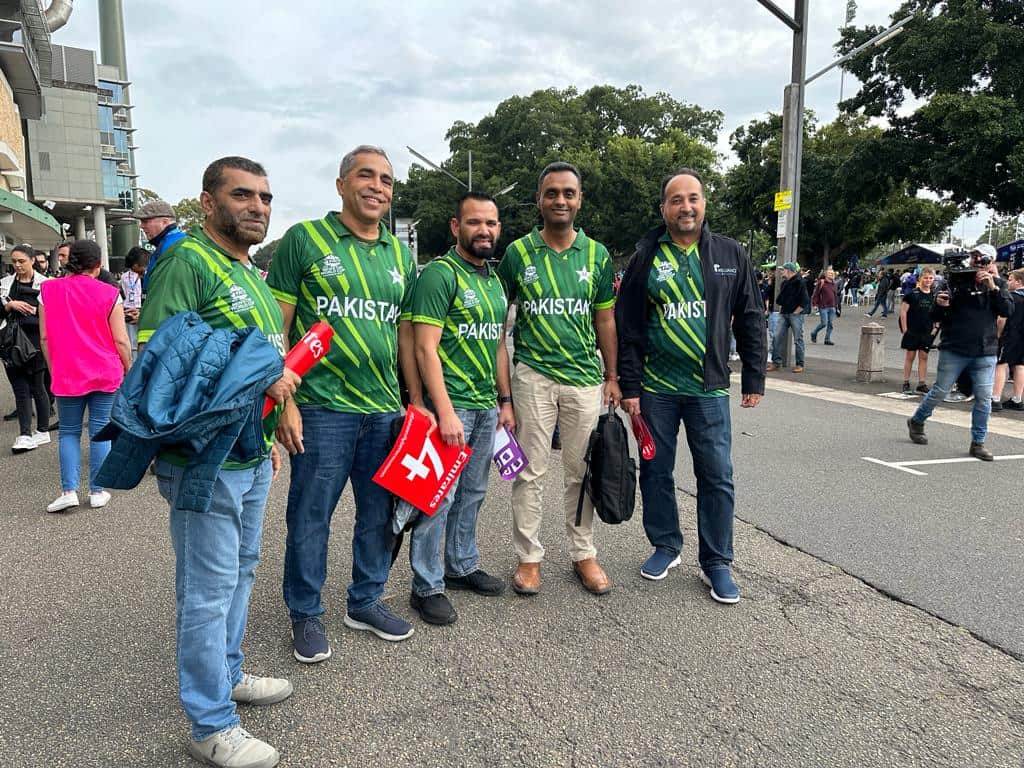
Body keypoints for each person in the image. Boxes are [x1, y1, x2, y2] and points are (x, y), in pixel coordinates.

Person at [138, 157, 299, 768]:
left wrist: (272, 413)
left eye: (265, 195)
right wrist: (264, 376)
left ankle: (228, 674)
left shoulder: (249, 272)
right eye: (242, 195)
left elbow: (267, 362)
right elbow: (159, 361)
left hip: (249, 453)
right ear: (206, 204)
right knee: (207, 589)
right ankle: (210, 724)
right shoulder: (186, 261)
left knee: (240, 571)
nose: (257, 206)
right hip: (203, 458)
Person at [267, 145, 423, 661]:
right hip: (320, 406)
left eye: (386, 179)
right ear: (340, 185)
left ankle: (366, 599)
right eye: (365, 176)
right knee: (311, 513)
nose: (377, 186)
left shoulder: (402, 255)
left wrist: (414, 402)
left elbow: (405, 335)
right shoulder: (304, 240)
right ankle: (306, 612)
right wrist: (282, 400)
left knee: (379, 513)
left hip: (383, 410)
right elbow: (277, 327)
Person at [616, 167, 765, 603]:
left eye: (693, 198)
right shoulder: (645, 256)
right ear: (663, 207)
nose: (686, 206)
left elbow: (752, 316)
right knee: (656, 471)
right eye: (676, 200)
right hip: (656, 389)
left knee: (716, 475)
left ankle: (717, 561)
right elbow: (628, 325)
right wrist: (629, 386)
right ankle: (665, 544)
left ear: (704, 203)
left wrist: (754, 376)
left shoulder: (730, 253)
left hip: (709, 390)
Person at [497, 161, 620, 597]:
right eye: (552, 193)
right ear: (539, 200)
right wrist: (504, 392)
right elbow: (499, 321)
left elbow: (605, 319)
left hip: (585, 378)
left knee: (582, 472)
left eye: (569, 193)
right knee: (530, 472)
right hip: (533, 374)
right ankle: (529, 558)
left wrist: (612, 375)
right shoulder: (517, 254)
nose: (560, 200)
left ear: (580, 199)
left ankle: (583, 552)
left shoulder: (597, 255)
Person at [400, 191, 514, 625]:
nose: (483, 230)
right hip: (452, 406)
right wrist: (442, 411)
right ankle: (426, 585)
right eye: (474, 223)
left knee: (474, 493)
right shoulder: (440, 276)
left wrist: (504, 402)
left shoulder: (493, 279)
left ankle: (461, 564)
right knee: (436, 498)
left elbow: (499, 345)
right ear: (455, 226)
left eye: (490, 223)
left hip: (486, 406)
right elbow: (424, 348)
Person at [38, 240, 131, 511]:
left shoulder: (47, 291)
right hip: (104, 371)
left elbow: (44, 337)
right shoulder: (110, 293)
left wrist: (54, 368)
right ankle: (97, 491)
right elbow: (122, 341)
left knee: (68, 432)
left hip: (67, 371)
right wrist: (128, 367)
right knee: (100, 430)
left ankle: (68, 491)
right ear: (98, 265)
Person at [907, 244, 1013, 460]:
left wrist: (992, 287)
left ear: (991, 262)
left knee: (984, 398)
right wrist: (939, 305)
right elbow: (936, 316)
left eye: (981, 259)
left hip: (985, 350)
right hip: (955, 346)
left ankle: (978, 443)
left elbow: (1007, 310)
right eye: (973, 258)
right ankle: (917, 420)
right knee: (940, 390)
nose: (976, 263)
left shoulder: (998, 285)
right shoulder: (955, 281)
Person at [1, 244, 50, 452]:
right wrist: (9, 306)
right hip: (11, 342)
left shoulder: (46, 284)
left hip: (36, 341)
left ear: (32, 260)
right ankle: (24, 433)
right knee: (20, 389)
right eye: (14, 261)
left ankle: (42, 430)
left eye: (21, 261)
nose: (18, 265)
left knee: (38, 387)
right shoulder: (4, 284)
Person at [899, 267, 939, 395]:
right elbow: (903, 312)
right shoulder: (912, 294)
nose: (928, 280)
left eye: (930, 278)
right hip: (912, 330)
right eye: (925, 278)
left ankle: (922, 383)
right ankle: (906, 381)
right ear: (920, 278)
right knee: (910, 356)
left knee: (924, 356)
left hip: (927, 331)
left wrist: (935, 329)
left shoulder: (934, 295)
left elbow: (938, 314)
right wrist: (905, 330)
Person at [134, 199, 186, 295]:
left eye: (145, 221)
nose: (141, 226)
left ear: (165, 222)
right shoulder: (173, 243)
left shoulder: (172, 247)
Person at [991, 268, 1024, 411]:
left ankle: (995, 398)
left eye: (1010, 280)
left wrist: (997, 335)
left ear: (1018, 282)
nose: (1008, 282)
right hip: (1022, 337)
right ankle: (1017, 399)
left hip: (1009, 335)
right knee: (1020, 365)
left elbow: (1001, 319)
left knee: (1000, 364)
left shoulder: (1013, 297)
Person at [766, 261, 808, 373]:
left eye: (783, 269)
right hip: (784, 313)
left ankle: (800, 364)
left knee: (798, 339)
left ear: (789, 271)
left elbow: (804, 300)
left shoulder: (800, 282)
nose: (781, 271)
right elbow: (780, 299)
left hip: (795, 314)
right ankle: (776, 362)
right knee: (776, 337)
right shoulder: (785, 283)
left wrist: (796, 312)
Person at [120, 246, 148, 361]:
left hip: (137, 310)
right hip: (132, 310)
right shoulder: (126, 277)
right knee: (133, 342)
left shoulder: (149, 276)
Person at [810, 268, 838, 345]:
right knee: (824, 323)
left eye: (833, 274)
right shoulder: (821, 282)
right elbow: (816, 294)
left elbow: (835, 295)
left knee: (830, 324)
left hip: (832, 306)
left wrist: (836, 306)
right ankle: (813, 333)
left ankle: (827, 339)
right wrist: (815, 304)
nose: (832, 275)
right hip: (823, 306)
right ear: (826, 275)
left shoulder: (833, 283)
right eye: (830, 273)